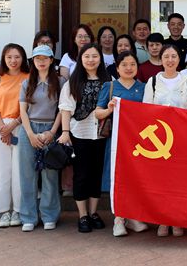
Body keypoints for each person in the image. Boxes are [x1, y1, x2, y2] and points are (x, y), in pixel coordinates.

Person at [143, 44, 187, 237]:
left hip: (182, 138)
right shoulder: (153, 82)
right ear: (161, 59)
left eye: (174, 56)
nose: (170, 60)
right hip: (159, 139)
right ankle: (163, 220)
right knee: (161, 181)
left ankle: (177, 220)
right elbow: (146, 110)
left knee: (180, 181)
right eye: (166, 56)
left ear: (179, 59)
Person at [58, 43, 111, 233]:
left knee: (96, 174)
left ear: (100, 59)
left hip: (101, 133)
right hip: (79, 133)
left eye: (94, 56)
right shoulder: (73, 82)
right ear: (81, 59)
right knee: (81, 175)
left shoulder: (108, 80)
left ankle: (94, 212)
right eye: (87, 56)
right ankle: (83, 215)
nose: (91, 60)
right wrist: (65, 132)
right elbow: (65, 109)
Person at [95, 51, 149, 237]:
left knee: (135, 178)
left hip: (138, 142)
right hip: (116, 142)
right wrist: (109, 109)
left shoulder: (143, 87)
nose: (128, 68)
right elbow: (97, 113)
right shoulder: (109, 86)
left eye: (132, 64)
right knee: (118, 178)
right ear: (117, 68)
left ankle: (132, 217)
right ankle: (118, 219)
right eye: (124, 64)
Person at [17, 45, 64, 232]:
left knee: (50, 174)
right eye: (38, 59)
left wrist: (52, 132)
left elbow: (62, 109)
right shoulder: (27, 83)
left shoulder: (60, 82)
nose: (41, 62)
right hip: (29, 129)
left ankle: (49, 215)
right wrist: (30, 134)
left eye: (45, 58)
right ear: (33, 61)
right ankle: (28, 216)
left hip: (50, 128)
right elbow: (23, 110)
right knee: (27, 174)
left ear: (51, 60)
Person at [0, 43, 30, 228]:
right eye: (9, 57)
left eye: (17, 56)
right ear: (4, 58)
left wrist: (13, 125)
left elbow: (31, 105)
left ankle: (19, 209)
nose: (13, 60)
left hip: (22, 125)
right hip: (0, 127)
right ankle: (4, 211)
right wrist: (3, 128)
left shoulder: (29, 77)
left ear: (23, 58)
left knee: (20, 169)